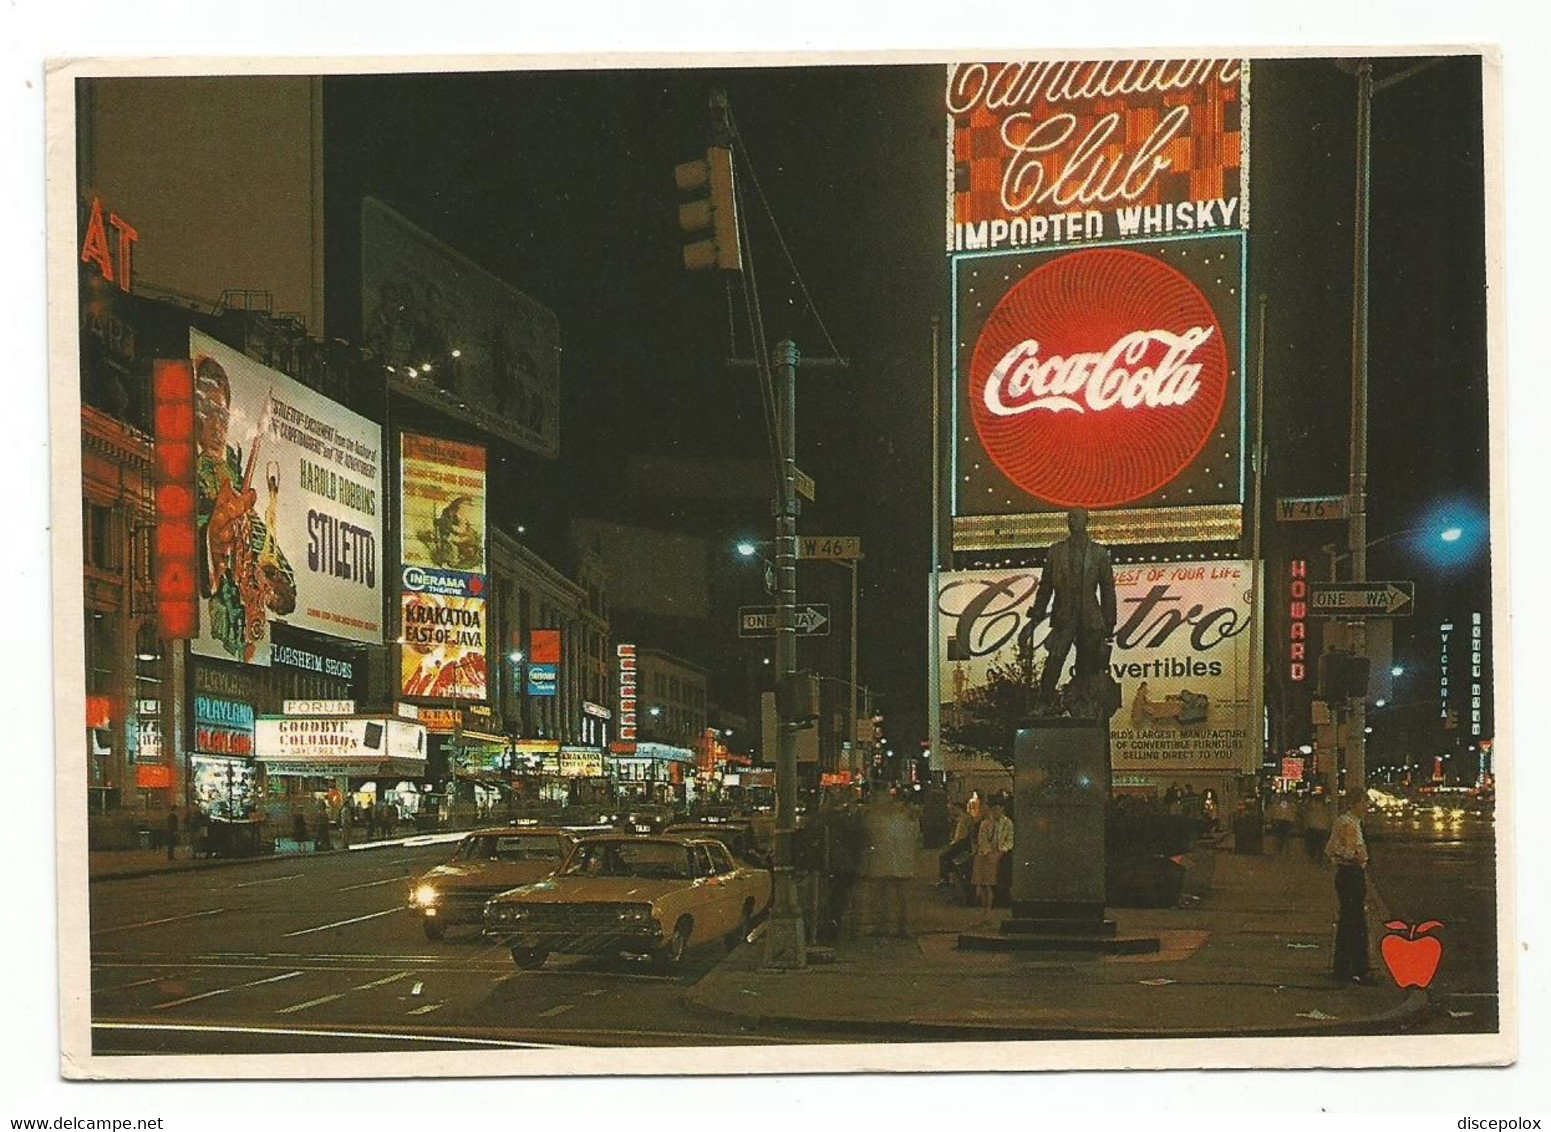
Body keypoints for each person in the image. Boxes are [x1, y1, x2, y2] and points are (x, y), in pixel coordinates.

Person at [194, 355, 296, 662]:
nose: (217, 422)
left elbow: (278, 566)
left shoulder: (234, 470)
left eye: (222, 412)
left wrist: (270, 578)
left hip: (241, 615)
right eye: (207, 411)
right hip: (216, 612)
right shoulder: (191, 470)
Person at [1030, 507, 1117, 703]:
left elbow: (1107, 589)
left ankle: (1083, 702)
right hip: (1064, 615)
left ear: (1087, 521)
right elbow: (1046, 586)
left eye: (1076, 517)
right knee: (1055, 659)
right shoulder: (1056, 551)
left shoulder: (1099, 553)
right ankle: (1044, 700)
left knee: (1086, 664)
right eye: (1069, 517)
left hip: (1090, 616)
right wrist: (1039, 609)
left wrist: (1109, 621)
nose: (1072, 521)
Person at [1326, 795, 1376, 984]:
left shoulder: (1345, 821)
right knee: (1355, 922)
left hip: (1346, 874)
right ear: (1354, 804)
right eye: (1363, 803)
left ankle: (1346, 967)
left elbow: (1331, 848)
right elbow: (1350, 852)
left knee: (1349, 921)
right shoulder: (1350, 824)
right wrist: (1359, 857)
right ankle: (1357, 969)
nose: (1366, 808)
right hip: (1352, 874)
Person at [860, 791, 920, 937]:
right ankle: (904, 926)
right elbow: (916, 841)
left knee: (882, 895)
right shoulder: (909, 819)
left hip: (882, 861)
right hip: (903, 862)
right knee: (902, 896)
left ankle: (883, 925)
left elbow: (870, 838)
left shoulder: (879, 818)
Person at [972, 796, 1014, 921]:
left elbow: (1010, 840)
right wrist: (987, 851)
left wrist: (1002, 850)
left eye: (997, 809)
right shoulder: (985, 824)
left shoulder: (1007, 823)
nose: (995, 812)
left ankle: (990, 910)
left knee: (992, 884)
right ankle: (985, 910)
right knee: (984, 884)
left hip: (1000, 854)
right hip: (985, 855)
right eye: (993, 809)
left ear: (1002, 809)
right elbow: (982, 840)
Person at [1302, 792, 1333, 862]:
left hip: (1315, 827)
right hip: (1319, 827)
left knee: (1315, 844)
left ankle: (1317, 857)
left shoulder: (1313, 806)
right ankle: (1319, 858)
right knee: (1319, 844)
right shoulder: (1324, 807)